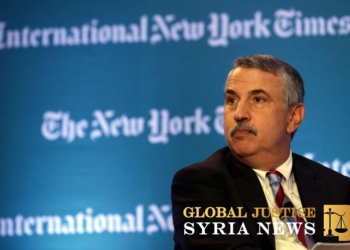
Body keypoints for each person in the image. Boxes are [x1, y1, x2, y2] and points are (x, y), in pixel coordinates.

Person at [171, 54, 350, 250]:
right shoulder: (199, 184)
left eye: (258, 99)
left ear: (293, 117)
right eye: (231, 100)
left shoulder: (336, 189)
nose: (239, 114)